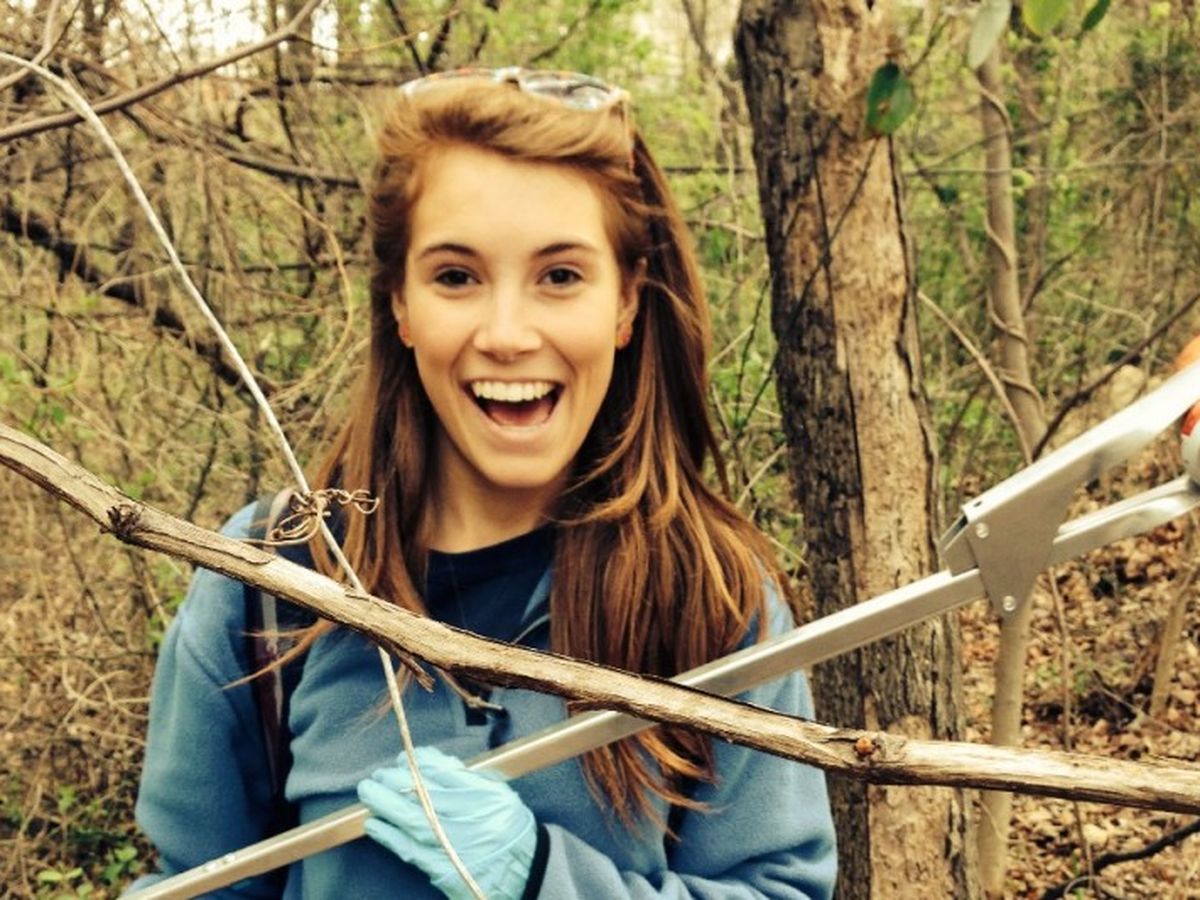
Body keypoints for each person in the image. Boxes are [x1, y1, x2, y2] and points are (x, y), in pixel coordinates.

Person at [132, 68, 837, 899]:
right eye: (456, 277)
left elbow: (780, 889)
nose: (507, 334)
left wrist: (543, 881)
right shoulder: (270, 579)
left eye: (560, 276)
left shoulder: (710, 599)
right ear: (400, 304)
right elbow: (196, 883)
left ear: (626, 301)